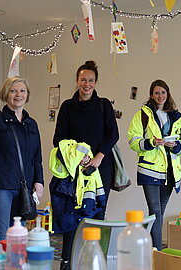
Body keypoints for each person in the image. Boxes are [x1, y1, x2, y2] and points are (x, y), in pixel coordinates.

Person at [52, 60, 119, 269]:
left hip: (100, 168)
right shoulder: (67, 106)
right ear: (76, 80)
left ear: (96, 82)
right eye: (83, 79)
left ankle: (97, 260)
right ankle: (67, 261)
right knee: (72, 212)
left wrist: (98, 157)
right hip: (75, 169)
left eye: (90, 80)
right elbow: (59, 139)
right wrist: (76, 158)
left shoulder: (104, 104)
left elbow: (113, 134)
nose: (86, 84)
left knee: (98, 212)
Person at [0, 76, 44, 240]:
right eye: (13, 91)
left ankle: (15, 265)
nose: (18, 95)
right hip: (0, 189)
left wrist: (39, 181)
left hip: (25, 189)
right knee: (1, 236)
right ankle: (0, 265)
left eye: (22, 91)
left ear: (27, 95)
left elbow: (37, 157)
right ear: (6, 94)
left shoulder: (31, 124)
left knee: (19, 236)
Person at [127, 79, 181, 250]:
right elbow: (133, 140)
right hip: (150, 169)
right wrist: (151, 142)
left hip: (170, 172)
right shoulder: (143, 114)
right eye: (156, 93)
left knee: (160, 211)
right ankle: (157, 250)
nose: (160, 96)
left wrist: (176, 145)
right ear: (151, 95)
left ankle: (152, 248)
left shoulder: (177, 117)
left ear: (167, 94)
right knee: (155, 210)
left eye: (163, 92)